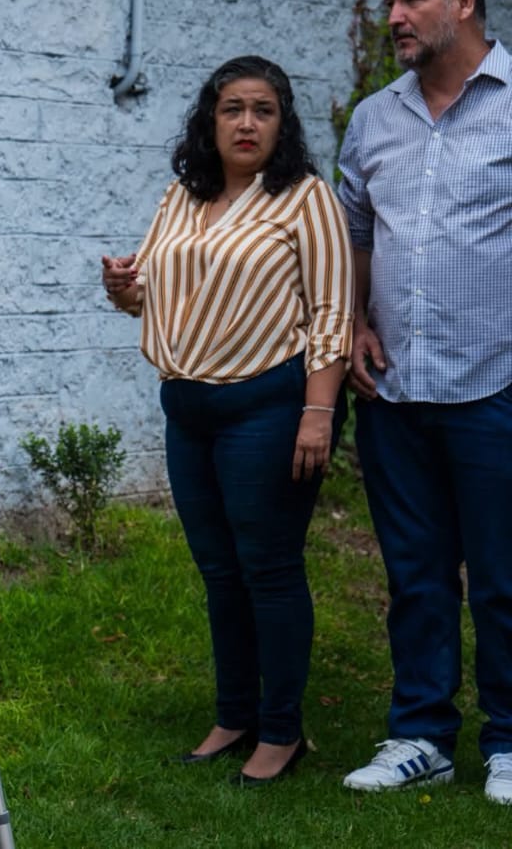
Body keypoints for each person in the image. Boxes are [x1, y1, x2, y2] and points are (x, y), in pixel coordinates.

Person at [102, 56, 352, 786]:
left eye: (263, 110)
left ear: (283, 123)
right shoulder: (182, 197)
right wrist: (123, 288)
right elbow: (153, 293)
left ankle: (282, 731)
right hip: (187, 410)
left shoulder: (305, 199)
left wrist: (318, 412)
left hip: (268, 408)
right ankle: (234, 714)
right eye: (232, 109)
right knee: (219, 571)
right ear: (209, 121)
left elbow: (332, 312)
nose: (247, 123)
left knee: (268, 568)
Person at [335, 0, 512, 804]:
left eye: (411, 0)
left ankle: (509, 742)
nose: (395, 16)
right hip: (395, 391)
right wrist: (354, 322)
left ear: (463, 1)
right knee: (416, 575)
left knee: (506, 577)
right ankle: (421, 736)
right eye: (391, 1)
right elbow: (353, 235)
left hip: (498, 386)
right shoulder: (375, 118)